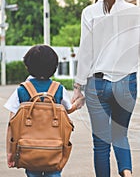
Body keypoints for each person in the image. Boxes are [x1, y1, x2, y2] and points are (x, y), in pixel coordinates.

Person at [71, 0, 140, 176]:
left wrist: (78, 86)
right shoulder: (134, 11)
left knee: (101, 144)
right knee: (120, 134)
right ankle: (127, 173)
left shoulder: (89, 13)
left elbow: (86, 52)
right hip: (127, 83)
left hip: (97, 84)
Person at [5, 44, 84, 177]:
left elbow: (11, 124)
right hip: (55, 149)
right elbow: (68, 110)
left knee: (32, 173)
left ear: (28, 67)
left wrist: (10, 152)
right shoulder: (58, 89)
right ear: (54, 68)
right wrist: (79, 103)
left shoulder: (21, 90)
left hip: (29, 149)